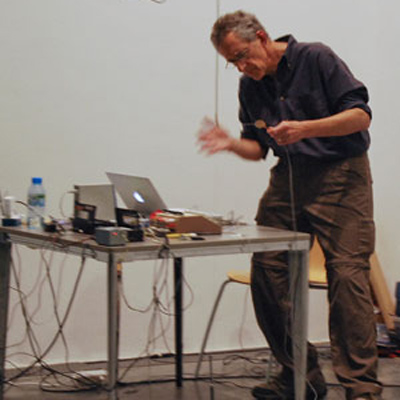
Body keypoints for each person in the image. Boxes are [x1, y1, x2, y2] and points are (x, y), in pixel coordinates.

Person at [198, 10, 383, 400]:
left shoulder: (317, 58)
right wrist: (231, 143)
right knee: (266, 267)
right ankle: (299, 372)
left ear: (263, 38)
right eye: (233, 62)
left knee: (347, 276)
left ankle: (361, 387)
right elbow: (258, 148)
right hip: (290, 177)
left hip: (341, 174)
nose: (243, 67)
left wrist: (306, 128)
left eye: (244, 55)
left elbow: (360, 116)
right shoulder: (250, 87)